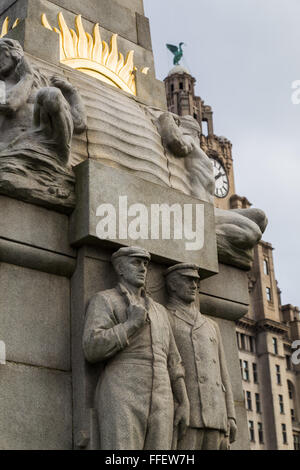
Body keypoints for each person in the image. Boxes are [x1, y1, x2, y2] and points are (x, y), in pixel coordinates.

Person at [83, 246, 190, 450]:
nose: (143, 268)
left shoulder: (160, 311)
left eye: (145, 264)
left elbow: (174, 361)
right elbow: (92, 347)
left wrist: (184, 401)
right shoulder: (105, 300)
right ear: (120, 269)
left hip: (162, 393)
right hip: (122, 389)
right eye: (136, 263)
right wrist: (131, 324)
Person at [165, 263, 237, 450]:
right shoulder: (165, 317)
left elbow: (223, 373)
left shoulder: (211, 325)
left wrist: (230, 415)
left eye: (196, 281)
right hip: (187, 414)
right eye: (188, 280)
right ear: (172, 285)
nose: (194, 285)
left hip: (216, 414)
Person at [0, 37, 86, 164]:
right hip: (11, 146)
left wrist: (73, 93)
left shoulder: (42, 88)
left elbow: (78, 124)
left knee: (51, 94)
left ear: (12, 53)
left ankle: (59, 153)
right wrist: (28, 76)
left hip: (46, 143)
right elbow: (10, 105)